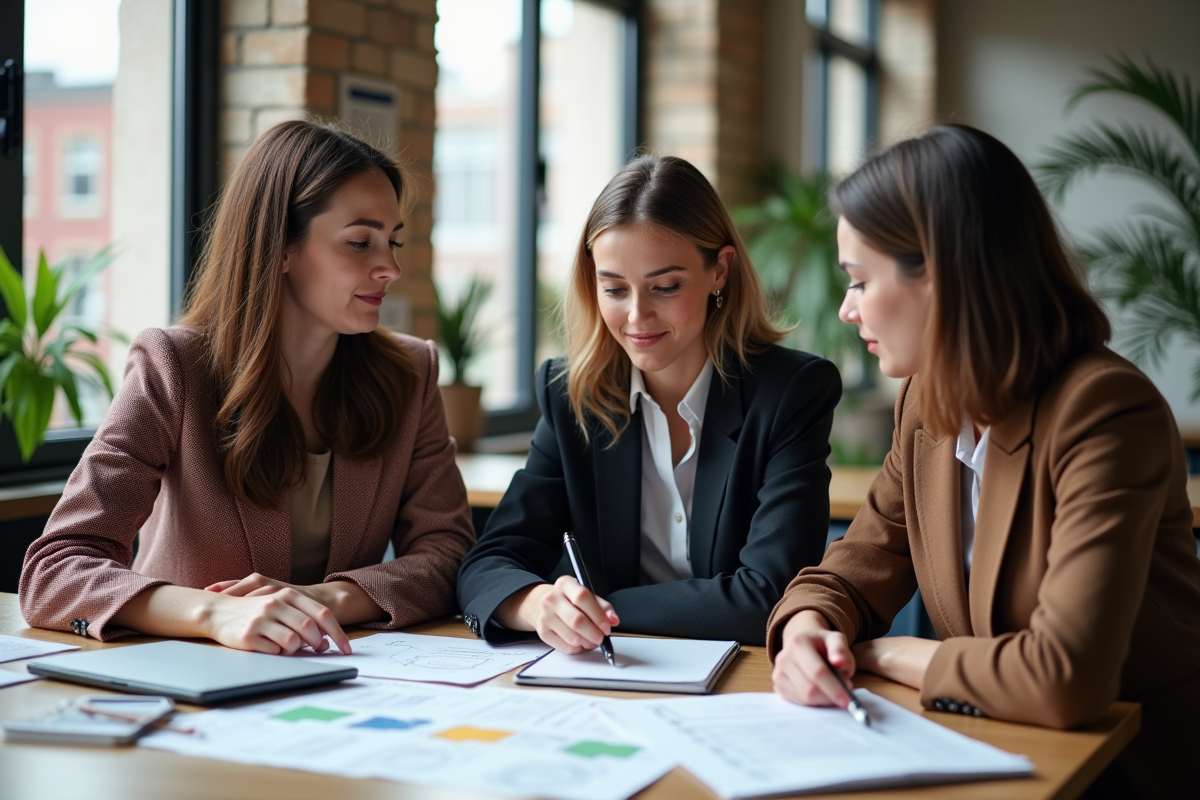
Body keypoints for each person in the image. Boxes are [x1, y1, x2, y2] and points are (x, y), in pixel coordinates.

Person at [768, 124, 1200, 798]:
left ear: (939, 272)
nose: (848, 309)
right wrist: (806, 632)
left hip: (1124, 775)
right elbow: (852, 573)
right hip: (986, 756)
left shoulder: (1105, 412)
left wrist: (887, 653)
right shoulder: (926, 402)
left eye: (858, 280)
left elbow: (1064, 679)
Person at [20, 121, 474, 655]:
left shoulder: (409, 372)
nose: (391, 267)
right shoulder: (175, 365)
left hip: (345, 682)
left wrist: (321, 599)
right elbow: (54, 572)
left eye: (392, 241)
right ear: (279, 246)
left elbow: (449, 555)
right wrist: (212, 612)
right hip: (189, 677)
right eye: (360, 242)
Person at [457, 154, 841, 651]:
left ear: (720, 271)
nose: (637, 316)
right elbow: (486, 566)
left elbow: (771, 594)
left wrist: (602, 606)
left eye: (665, 287)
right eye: (614, 288)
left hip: (747, 681)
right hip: (615, 678)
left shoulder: (791, 392)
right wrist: (535, 604)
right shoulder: (570, 394)